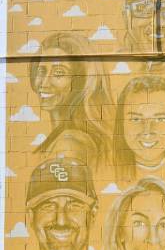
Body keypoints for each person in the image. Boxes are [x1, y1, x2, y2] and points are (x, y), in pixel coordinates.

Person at [5, 157, 100, 250]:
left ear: (93, 213)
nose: (61, 221)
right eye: (48, 206)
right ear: (31, 216)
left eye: (74, 205)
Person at [29, 32, 114, 166]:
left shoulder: (70, 144)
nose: (44, 83)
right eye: (41, 71)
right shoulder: (63, 137)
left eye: (59, 73)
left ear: (81, 82)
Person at [113, 75, 165, 181]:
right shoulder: (100, 170)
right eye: (136, 119)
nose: (147, 131)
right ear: (121, 123)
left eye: (160, 119)